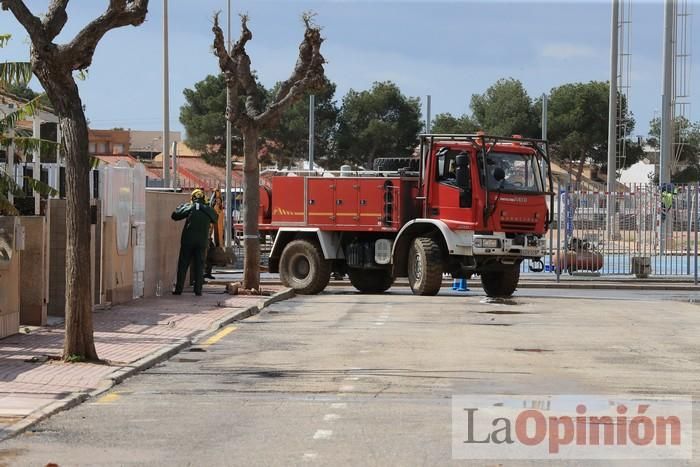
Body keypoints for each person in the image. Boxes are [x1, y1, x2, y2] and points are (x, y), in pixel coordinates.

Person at [172, 189, 218, 296]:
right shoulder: (208, 209)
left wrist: (185, 206)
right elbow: (215, 218)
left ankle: (179, 289)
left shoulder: (190, 207)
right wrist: (203, 208)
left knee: (183, 264)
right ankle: (198, 290)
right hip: (201, 242)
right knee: (199, 265)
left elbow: (175, 215)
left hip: (187, 241)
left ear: (193, 198)